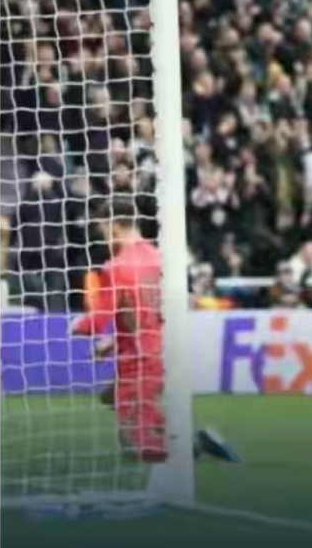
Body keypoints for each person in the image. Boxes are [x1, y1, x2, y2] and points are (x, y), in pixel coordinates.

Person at [71, 196, 239, 469]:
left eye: (102, 228)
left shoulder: (116, 267)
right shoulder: (159, 258)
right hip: (161, 350)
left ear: (114, 226)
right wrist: (112, 341)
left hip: (139, 359)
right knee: (110, 397)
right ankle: (175, 432)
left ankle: (195, 442)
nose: (102, 236)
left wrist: (74, 327)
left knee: (134, 444)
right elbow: (152, 311)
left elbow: (96, 322)